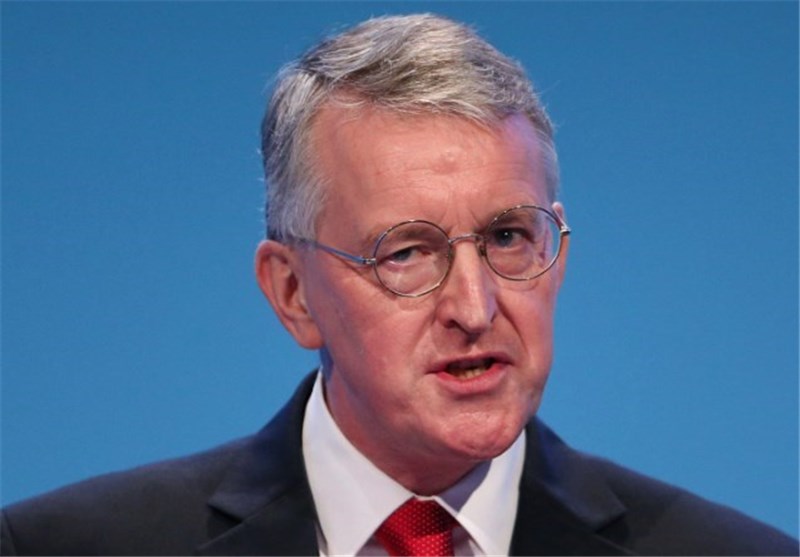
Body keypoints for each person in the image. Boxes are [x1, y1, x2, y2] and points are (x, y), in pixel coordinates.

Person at [1, 13, 797, 557]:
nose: (475, 308)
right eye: (407, 252)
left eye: (508, 237)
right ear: (293, 293)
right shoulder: (61, 546)